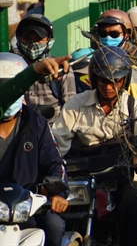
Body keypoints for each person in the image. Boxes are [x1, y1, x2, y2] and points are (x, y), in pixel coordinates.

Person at [52, 46, 137, 246]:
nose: (109, 87)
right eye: (103, 80)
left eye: (115, 81)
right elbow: (57, 143)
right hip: (84, 176)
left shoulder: (136, 108)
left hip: (123, 175)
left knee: (134, 203)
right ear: (94, 78)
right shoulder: (76, 105)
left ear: (124, 79)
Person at [0, 53, 67, 246]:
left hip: (26, 208)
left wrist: (57, 194)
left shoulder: (36, 122)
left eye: (13, 87)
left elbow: (55, 163)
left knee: (54, 226)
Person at [14, 14, 76, 122]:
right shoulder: (12, 68)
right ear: (19, 39)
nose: (33, 44)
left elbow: (70, 110)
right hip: (20, 131)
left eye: (39, 39)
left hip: (53, 129)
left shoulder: (62, 69)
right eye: (27, 39)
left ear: (49, 41)